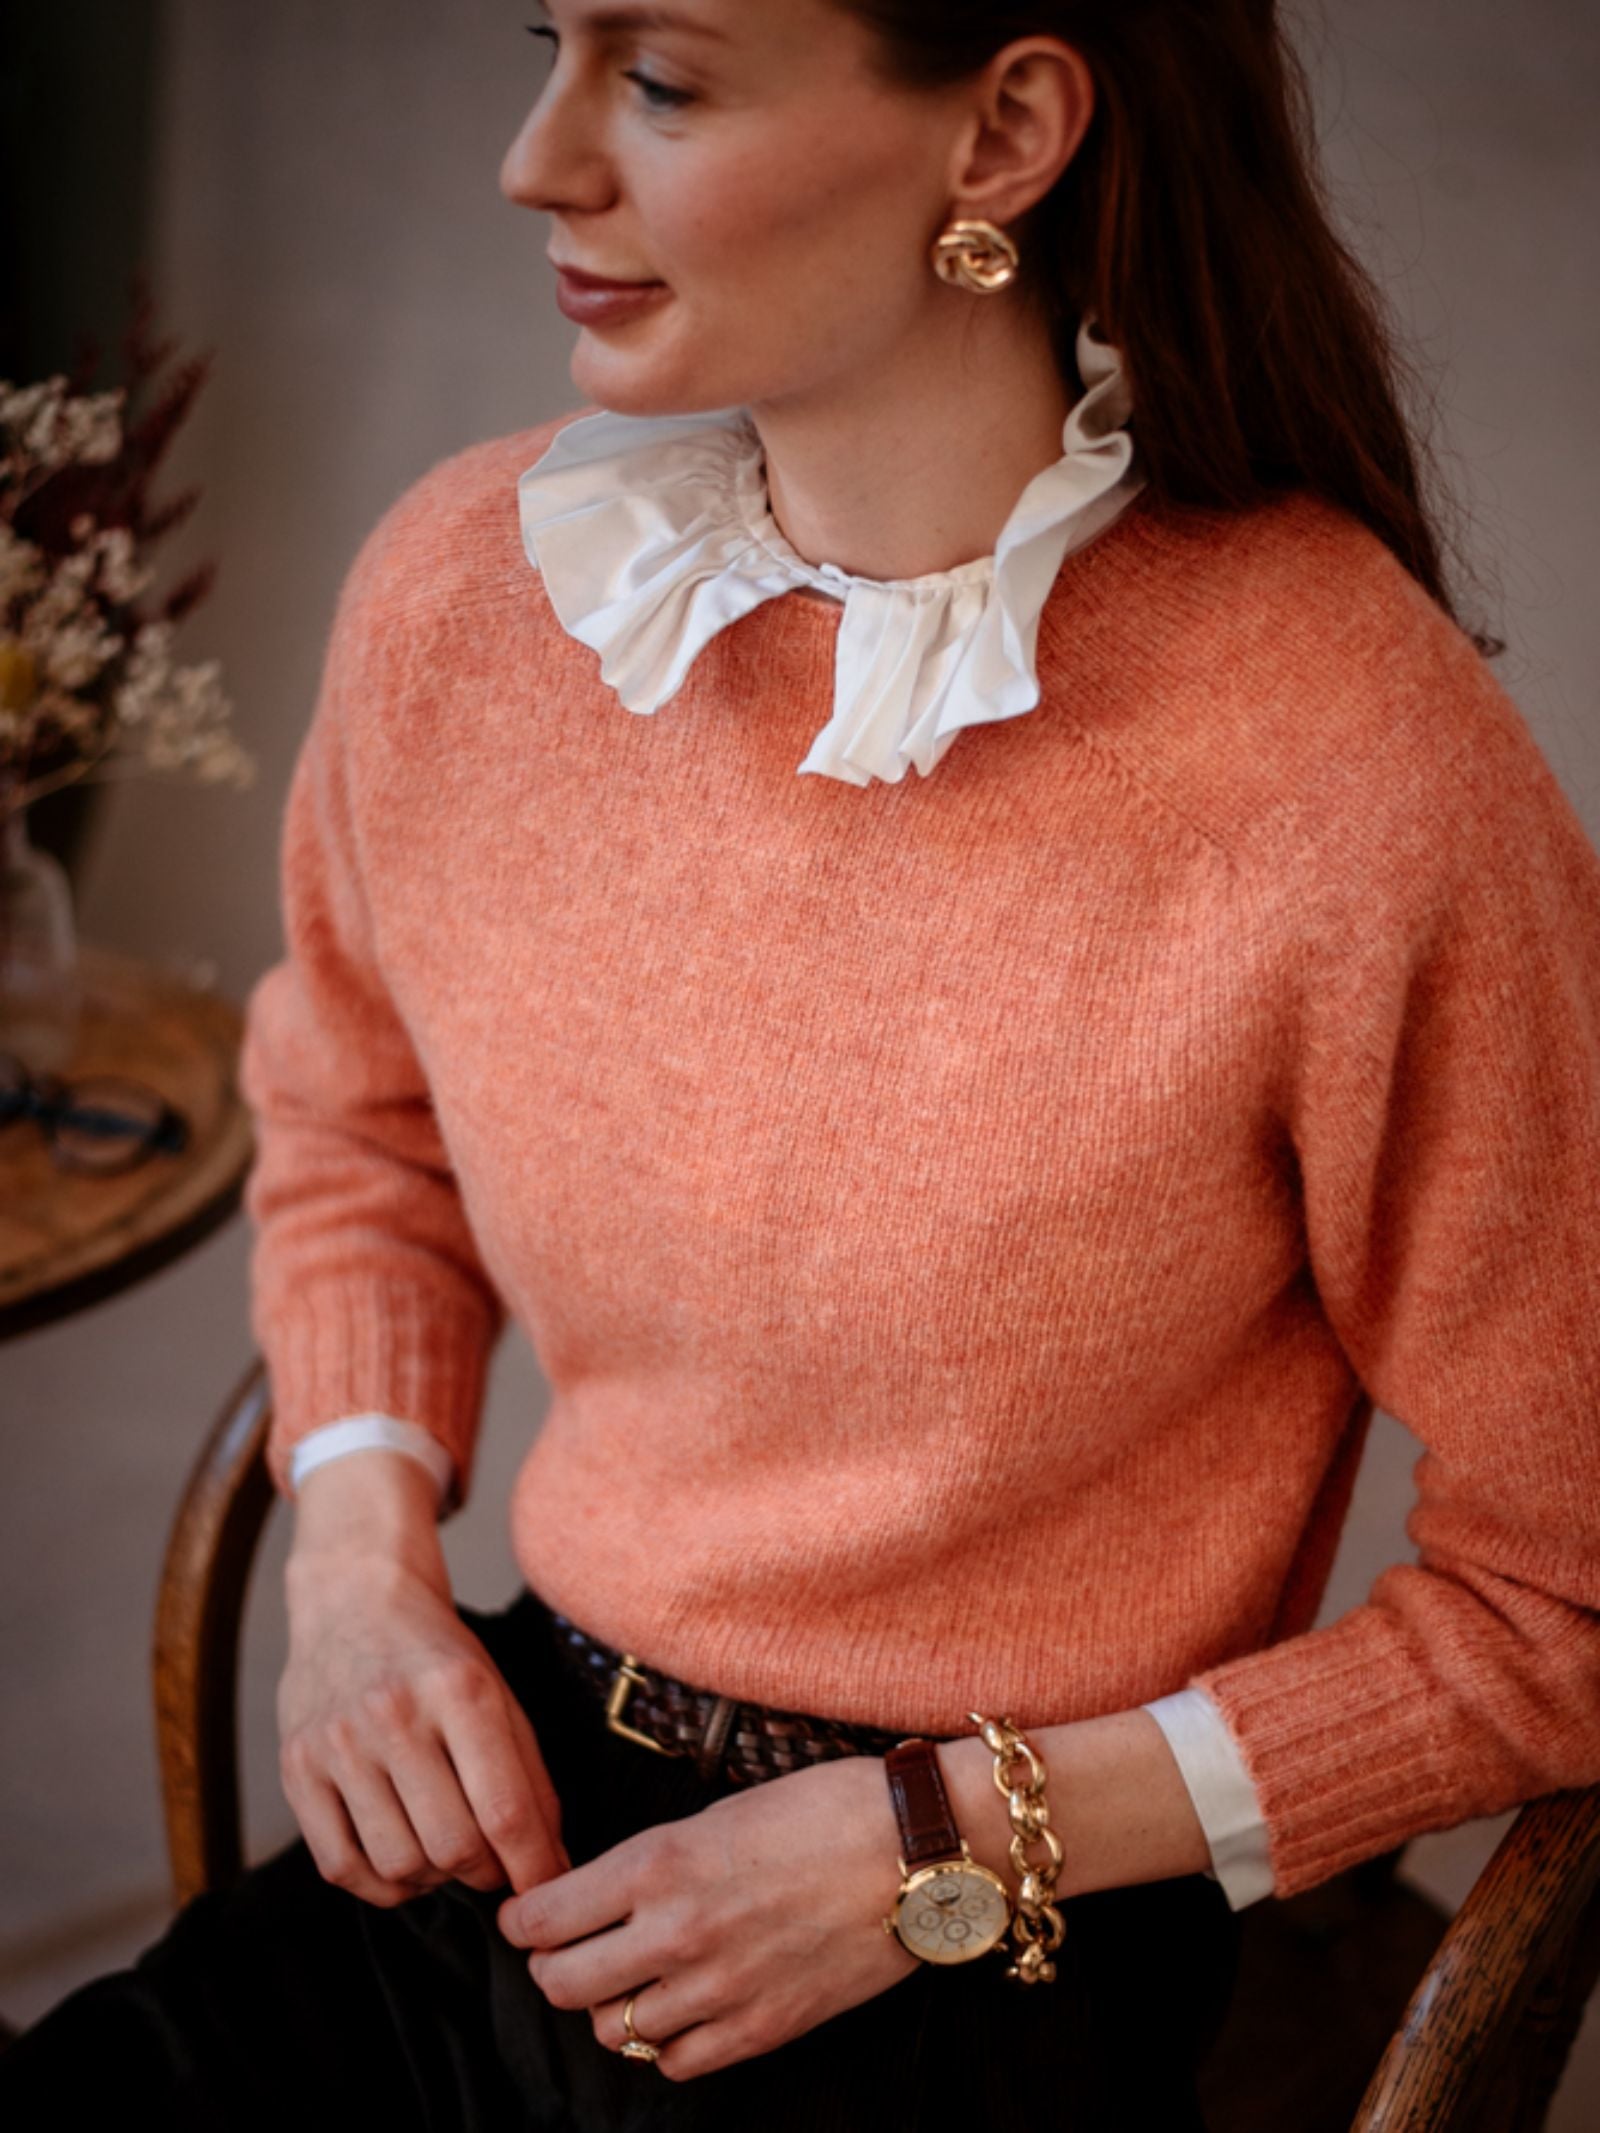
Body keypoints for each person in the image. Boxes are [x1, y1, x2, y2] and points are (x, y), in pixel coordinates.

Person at [4, 0, 1599, 2126]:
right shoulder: (464, 603)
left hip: (1003, 1923)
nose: (536, 156)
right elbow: (354, 1115)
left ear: (1004, 131)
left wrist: (936, 1845)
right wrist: (365, 1579)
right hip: (511, 1787)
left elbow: (1557, 1584)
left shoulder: (1355, 766)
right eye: (545, 43)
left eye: (655, 82)